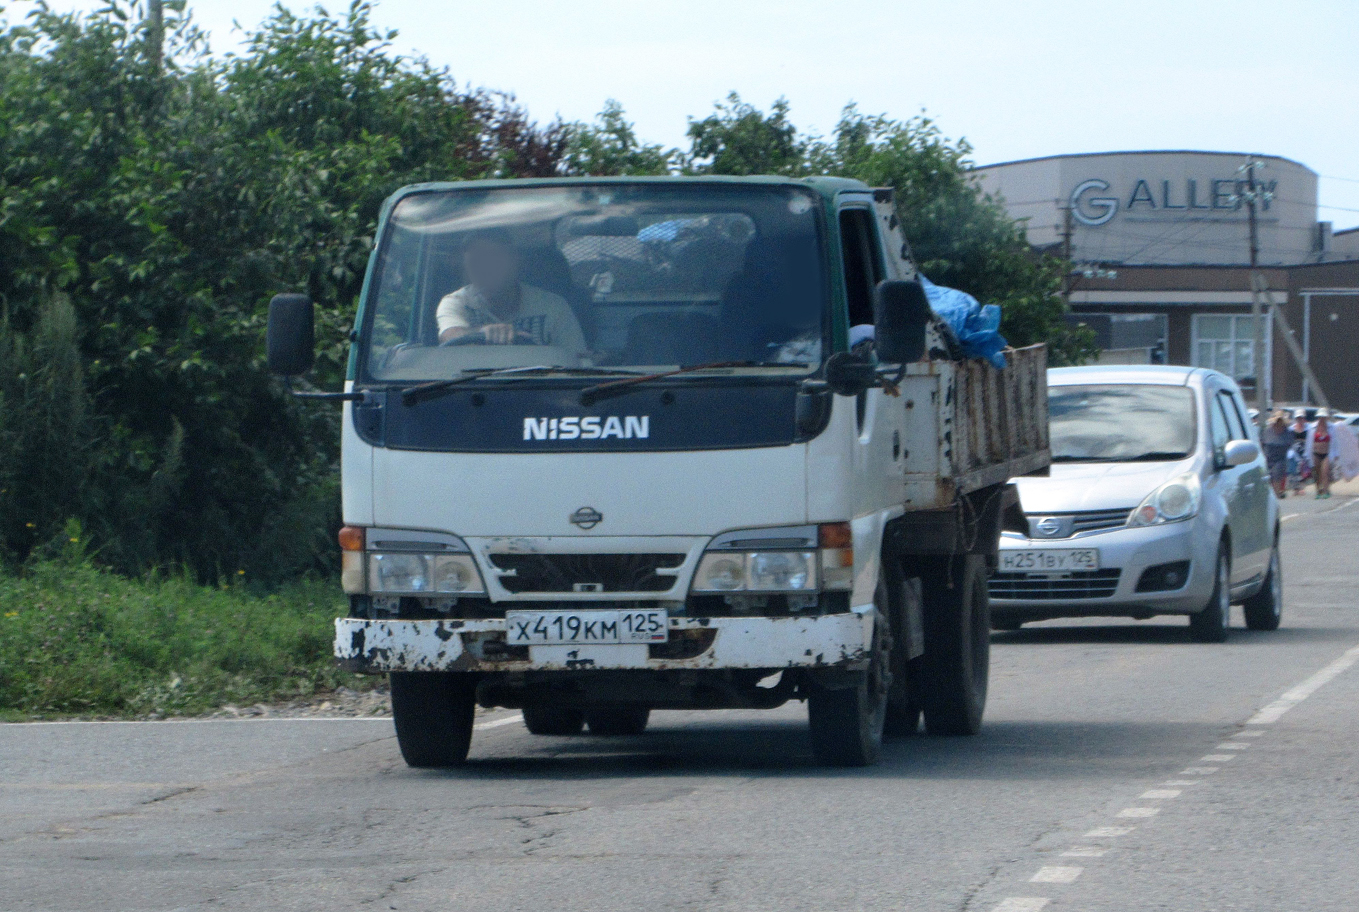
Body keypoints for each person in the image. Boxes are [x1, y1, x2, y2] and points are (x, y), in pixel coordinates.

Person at [436, 230, 587, 354]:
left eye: (494, 259)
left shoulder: (553, 306)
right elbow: (450, 335)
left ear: (515, 262)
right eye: (475, 262)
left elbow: (576, 359)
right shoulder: (456, 302)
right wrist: (481, 333)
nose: (485, 268)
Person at [1260, 410, 1294, 498]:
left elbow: (1290, 444)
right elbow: (1262, 443)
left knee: (1277, 474)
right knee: (1269, 476)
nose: (1279, 423)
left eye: (1280, 421)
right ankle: (1270, 494)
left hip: (1280, 458)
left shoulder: (1287, 432)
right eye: (1277, 421)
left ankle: (1276, 493)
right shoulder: (1267, 431)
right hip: (1268, 457)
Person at [1306, 409, 1334, 498]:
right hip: (1315, 453)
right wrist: (1307, 455)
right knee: (1317, 473)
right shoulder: (1312, 427)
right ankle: (1318, 490)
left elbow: (1335, 441)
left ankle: (1326, 490)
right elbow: (1309, 442)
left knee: (1325, 472)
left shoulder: (1331, 427)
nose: (1322, 419)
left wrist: (1335, 454)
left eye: (1324, 417)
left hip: (1326, 453)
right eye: (1320, 417)